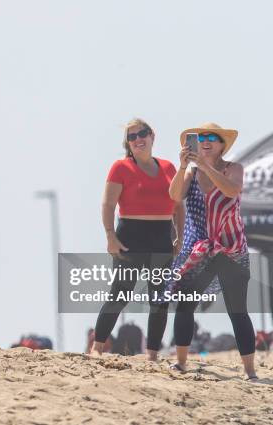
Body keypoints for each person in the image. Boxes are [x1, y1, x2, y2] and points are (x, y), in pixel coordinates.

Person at [168, 122, 257, 379]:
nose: (205, 141)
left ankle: (250, 370)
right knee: (185, 303)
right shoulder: (190, 173)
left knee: (237, 309)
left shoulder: (234, 169)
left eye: (212, 138)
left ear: (221, 145)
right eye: (201, 137)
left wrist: (206, 165)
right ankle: (182, 362)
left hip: (232, 249)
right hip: (199, 249)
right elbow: (174, 196)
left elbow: (232, 190)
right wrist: (184, 166)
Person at [93, 118, 184, 361]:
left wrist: (181, 237)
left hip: (162, 237)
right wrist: (110, 236)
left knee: (160, 298)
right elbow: (108, 204)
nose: (137, 139)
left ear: (152, 135)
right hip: (129, 236)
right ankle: (97, 347)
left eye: (141, 133)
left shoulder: (168, 168)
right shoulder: (121, 167)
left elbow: (179, 207)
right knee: (120, 294)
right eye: (131, 137)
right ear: (128, 144)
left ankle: (152, 354)